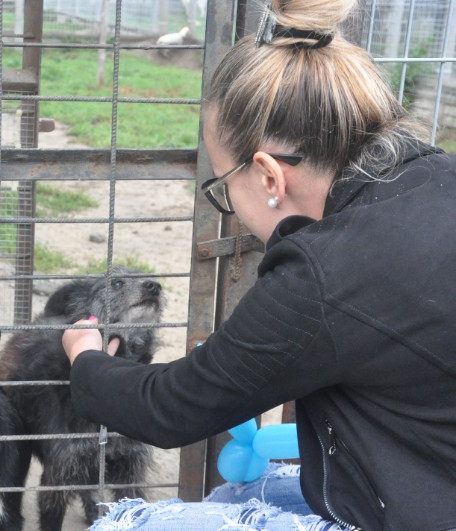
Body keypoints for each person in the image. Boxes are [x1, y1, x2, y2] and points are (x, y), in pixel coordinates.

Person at [61, 0, 456, 529]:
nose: (230, 204)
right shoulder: (436, 176)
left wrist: (86, 359)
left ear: (269, 177)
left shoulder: (325, 275)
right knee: (241, 493)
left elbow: (174, 407)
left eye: (224, 184)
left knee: (120, 525)